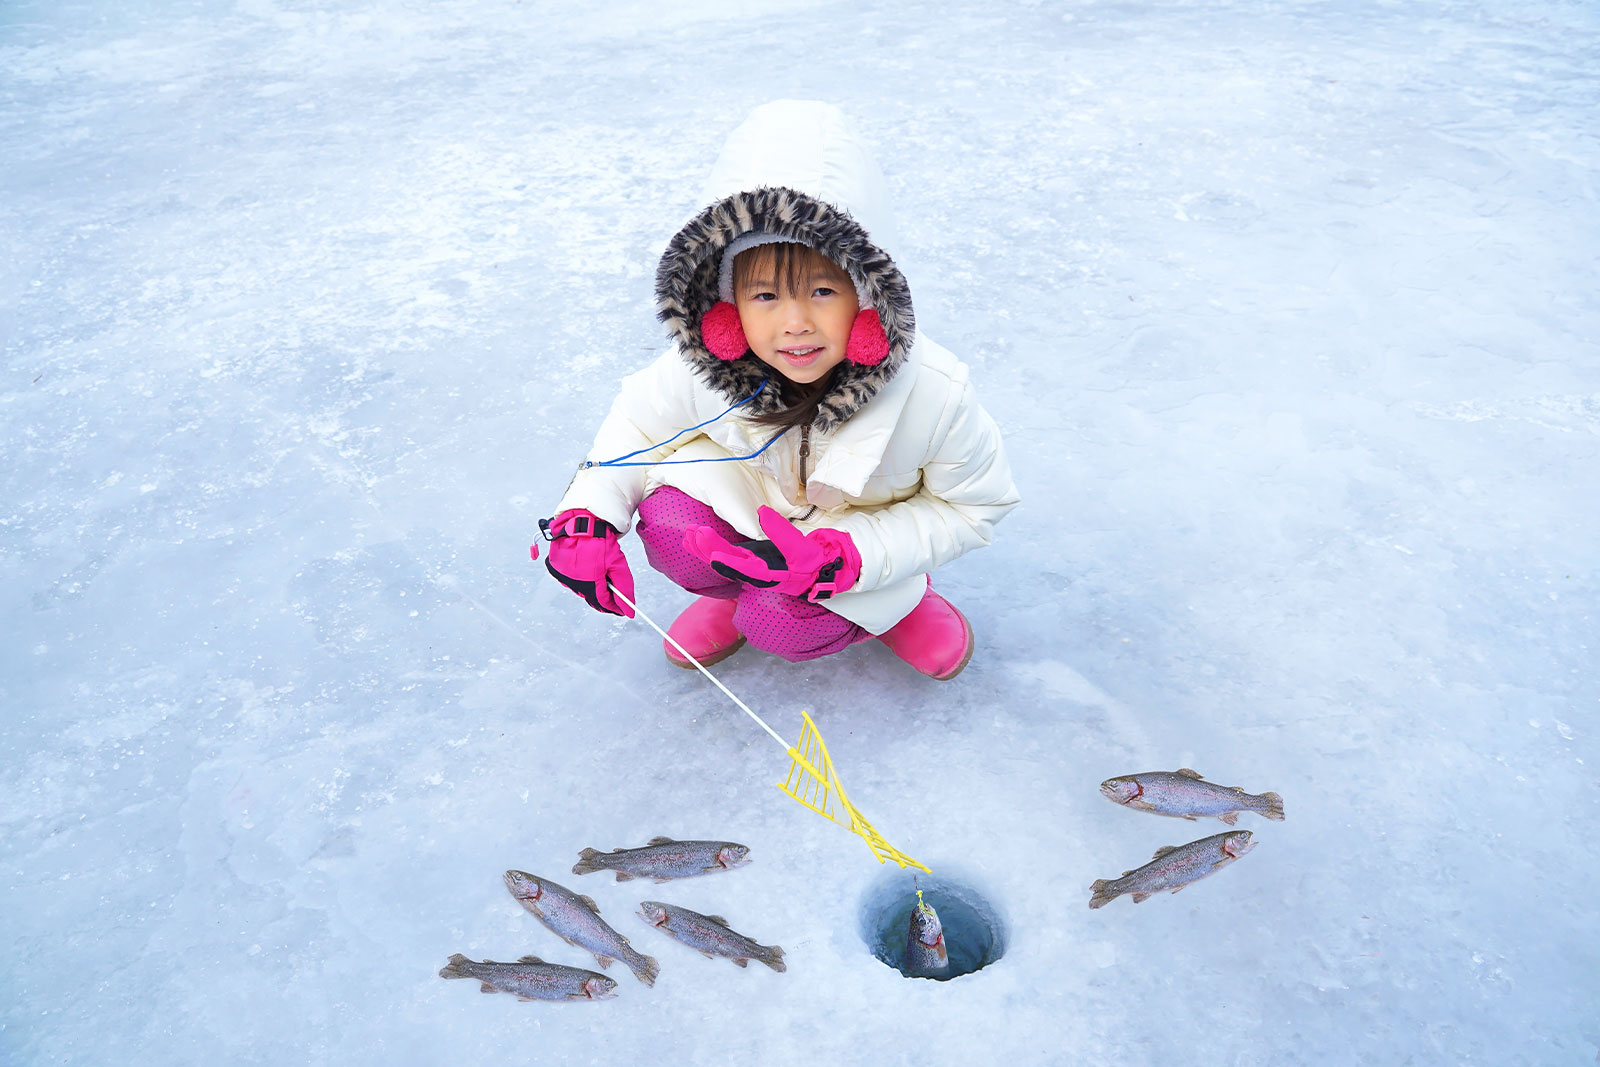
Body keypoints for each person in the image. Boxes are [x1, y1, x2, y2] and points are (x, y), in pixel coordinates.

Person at [537, 100, 1018, 680]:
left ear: (869, 298)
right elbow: (635, 433)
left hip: (858, 552)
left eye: (822, 291)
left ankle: (900, 606)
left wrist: (849, 557)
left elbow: (971, 506)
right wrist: (586, 517)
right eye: (765, 296)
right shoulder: (701, 367)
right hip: (756, 522)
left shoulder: (935, 394)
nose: (795, 324)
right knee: (671, 527)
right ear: (727, 310)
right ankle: (737, 592)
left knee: (787, 621)